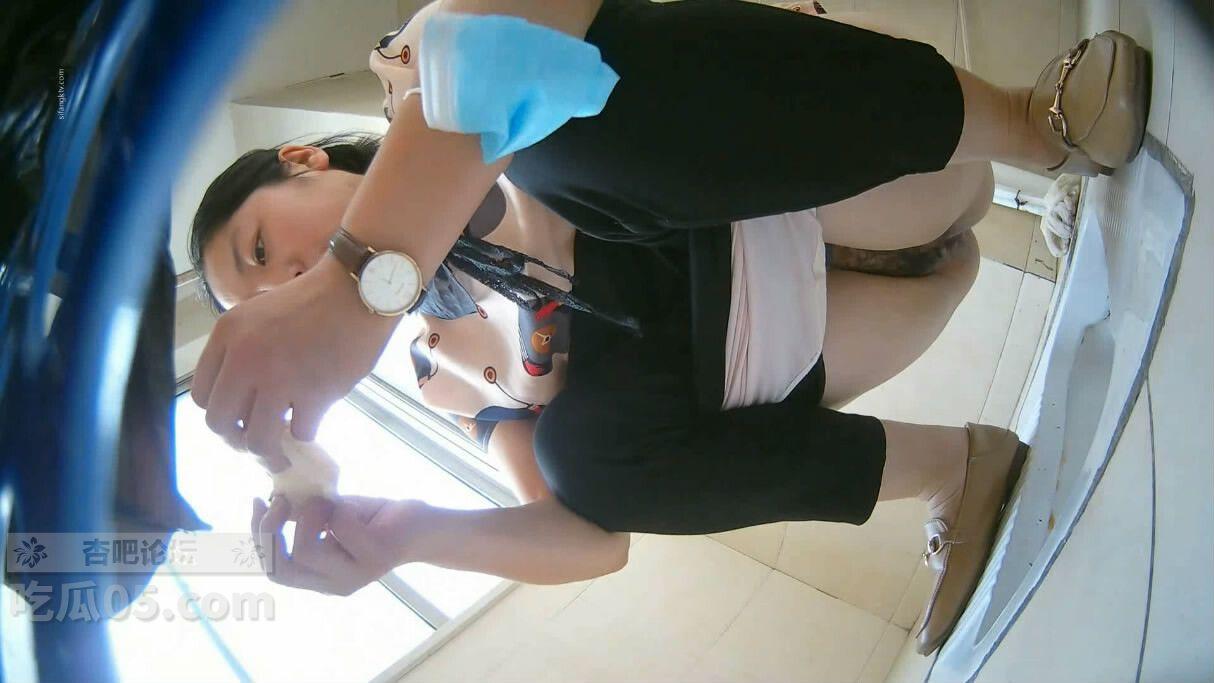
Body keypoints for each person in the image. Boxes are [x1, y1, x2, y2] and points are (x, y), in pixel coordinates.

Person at [187, 0, 1149, 654]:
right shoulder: (445, 363)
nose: (287, 279)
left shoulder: (414, 69)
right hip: (830, 325)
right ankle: (954, 468)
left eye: (262, 247)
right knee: (577, 460)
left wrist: (359, 276)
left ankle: (1037, 122)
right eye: (262, 296)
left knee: (540, 114)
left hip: (870, 183)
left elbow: (541, 27)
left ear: (301, 159)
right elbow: (590, 540)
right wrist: (405, 534)